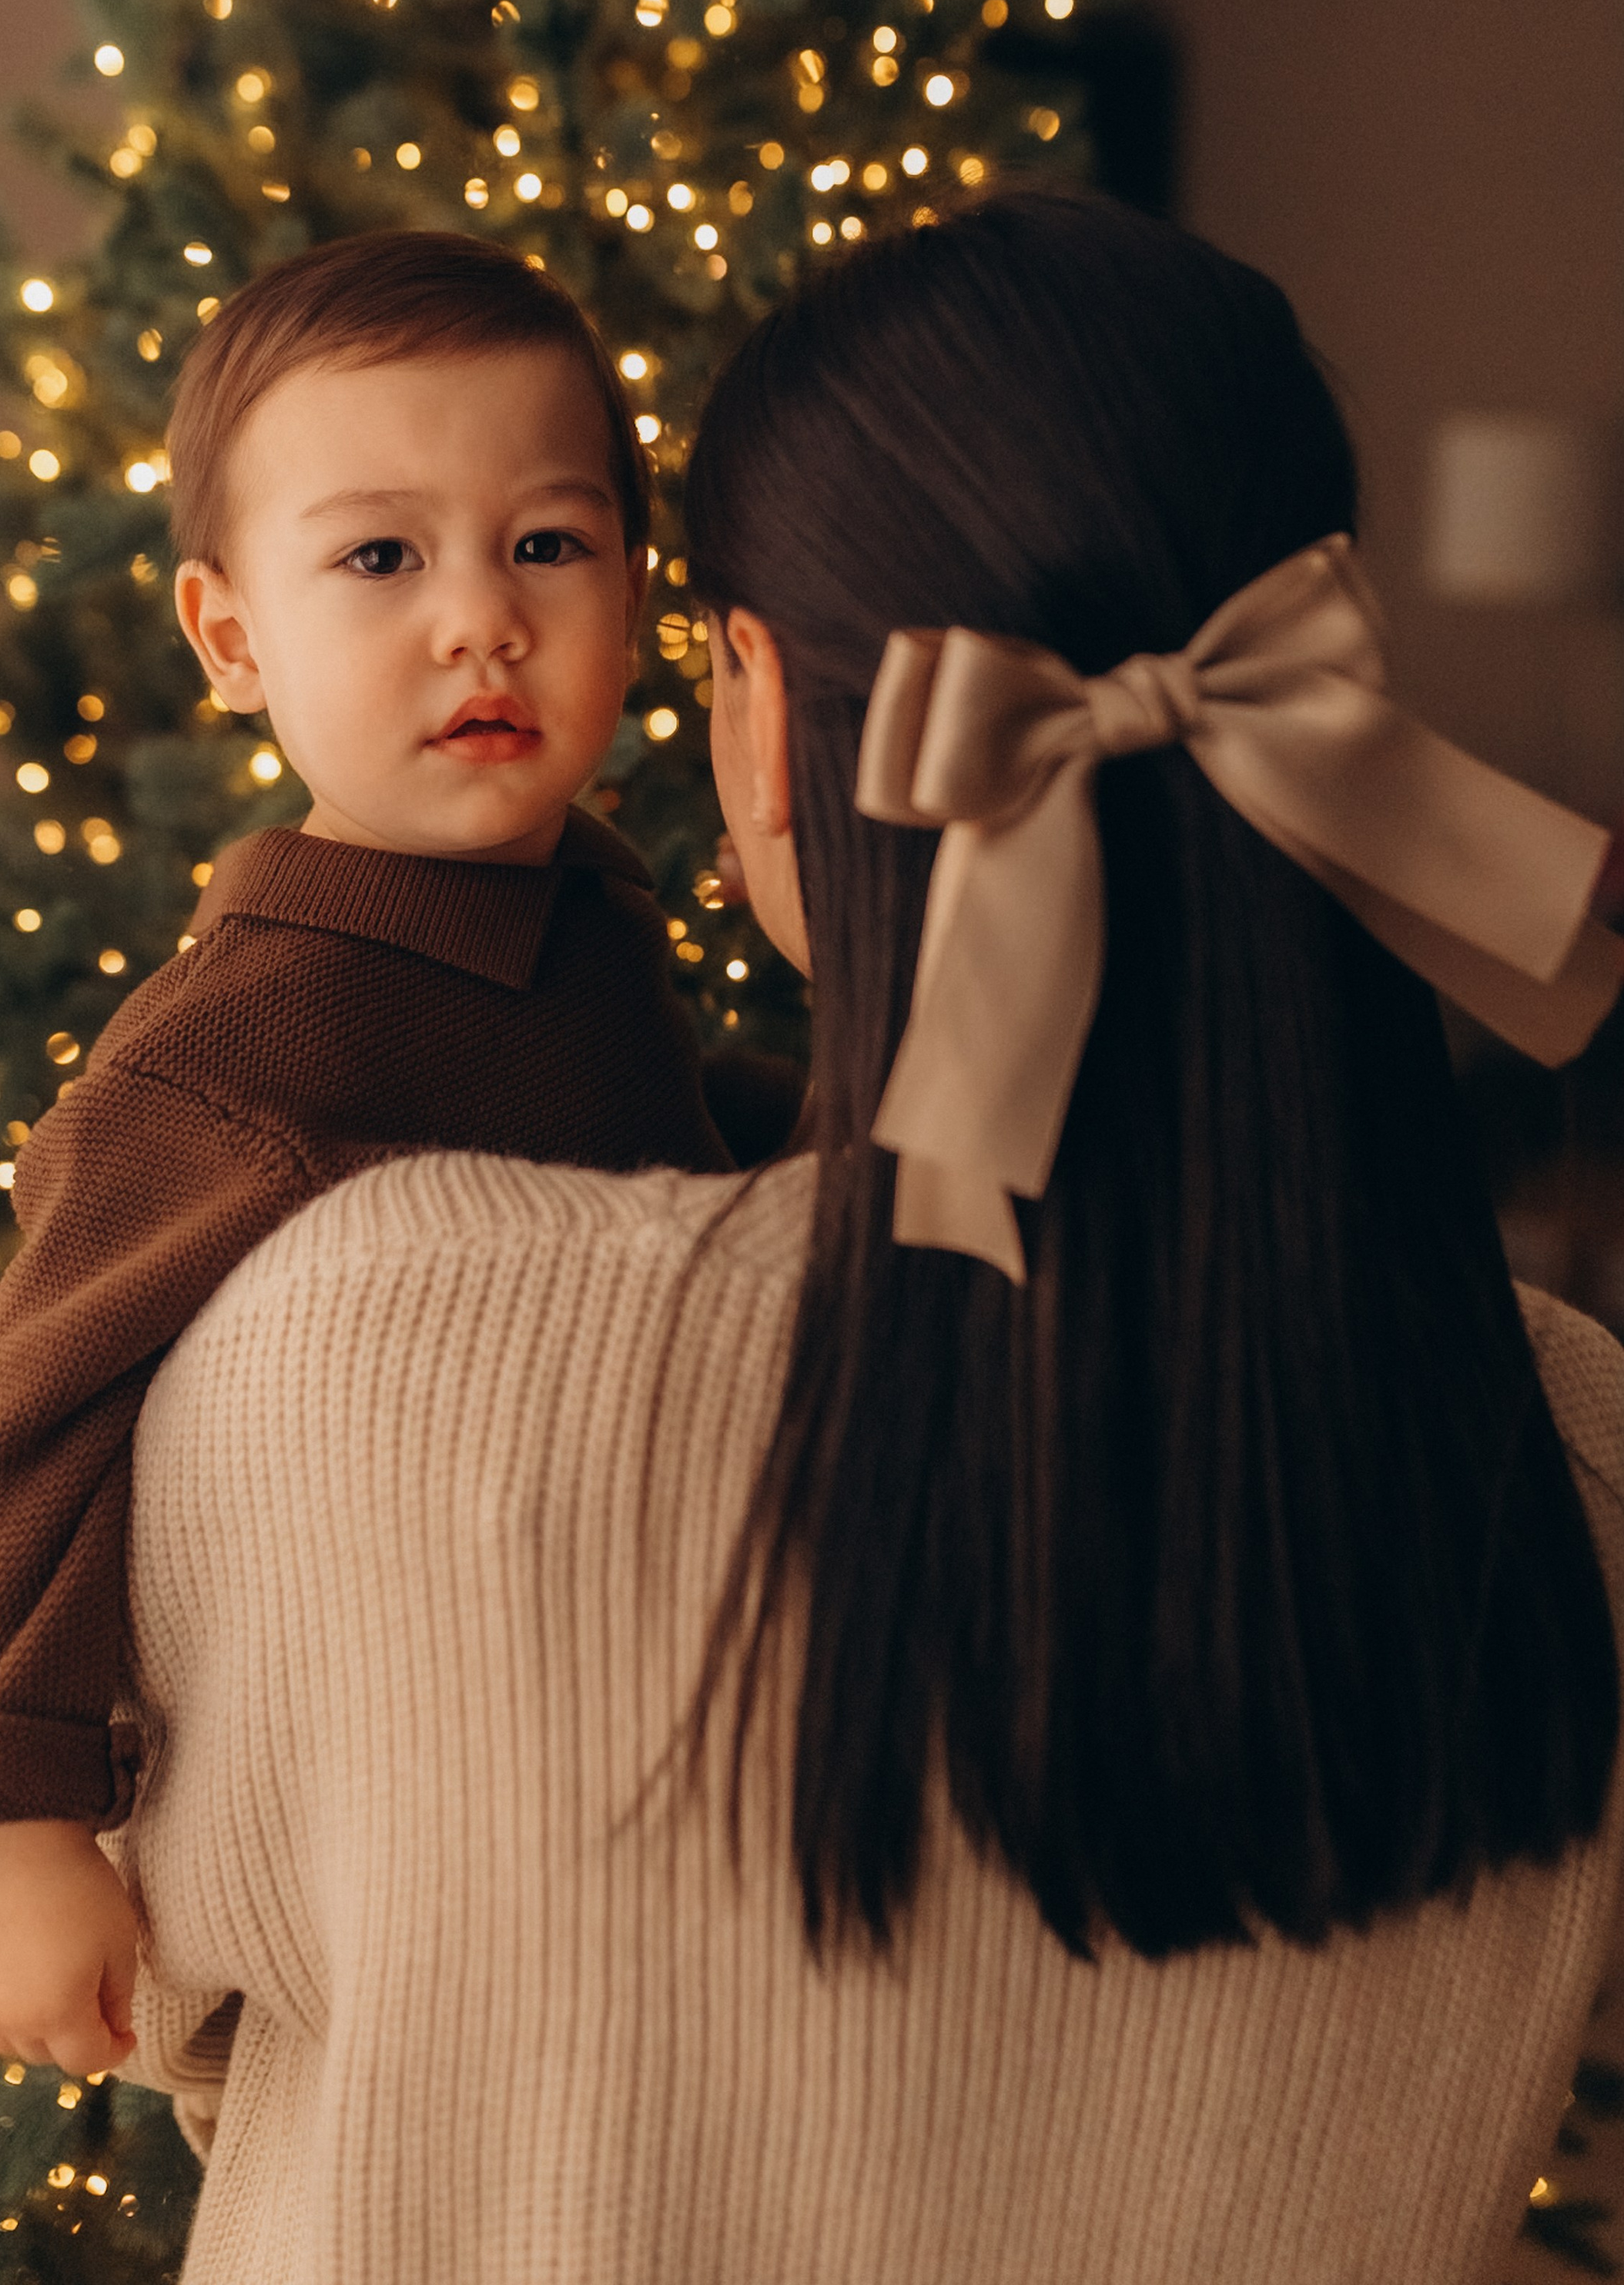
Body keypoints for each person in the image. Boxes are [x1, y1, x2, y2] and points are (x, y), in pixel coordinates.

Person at [109, 193, 1624, 2282]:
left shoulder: (376, 1345)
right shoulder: (1577, 1457)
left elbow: (177, 2012)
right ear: (1318, 660)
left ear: (758, 704)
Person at [0, 230, 781, 2067]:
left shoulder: (592, 915)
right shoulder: (241, 1051)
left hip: (644, 1723)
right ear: (230, 638)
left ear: (636, 592)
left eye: (547, 545)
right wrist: (19, 1820)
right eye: (379, 558)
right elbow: (26, 1412)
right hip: (382, 1817)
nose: (481, 619)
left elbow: (663, 1162)